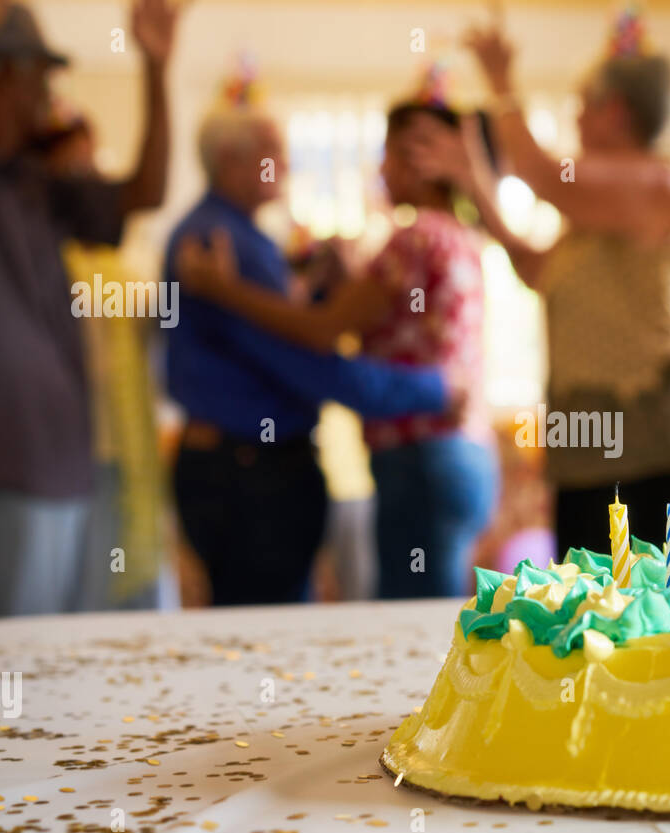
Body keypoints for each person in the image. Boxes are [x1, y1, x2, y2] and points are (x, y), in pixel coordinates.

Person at [406, 8, 670, 555]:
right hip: (586, 446)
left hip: (656, 443)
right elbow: (534, 269)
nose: (575, 119)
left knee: (657, 621)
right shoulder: (592, 218)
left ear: (615, 112)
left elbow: (545, 175)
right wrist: (473, 179)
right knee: (585, 621)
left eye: (582, 106)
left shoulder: (657, 182)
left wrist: (501, 81)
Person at [175, 72, 498, 600]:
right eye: (272, 153)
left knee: (415, 622)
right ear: (232, 161)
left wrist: (225, 289)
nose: (380, 169)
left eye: (390, 155)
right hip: (459, 451)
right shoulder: (461, 236)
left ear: (420, 163)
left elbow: (320, 335)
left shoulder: (410, 241)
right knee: (434, 618)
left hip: (418, 455)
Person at [0, 0, 178, 620]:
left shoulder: (38, 183)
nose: (49, 89)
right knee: (7, 684)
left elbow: (147, 190)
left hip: (69, 470)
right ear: (0, 74)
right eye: (38, 72)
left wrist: (156, 67)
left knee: (57, 678)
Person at [42, 103, 167, 611]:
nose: (87, 175)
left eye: (91, 162)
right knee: (83, 595)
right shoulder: (49, 254)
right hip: (70, 451)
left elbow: (157, 314)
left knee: (130, 587)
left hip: (125, 446)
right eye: (75, 165)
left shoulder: (118, 259)